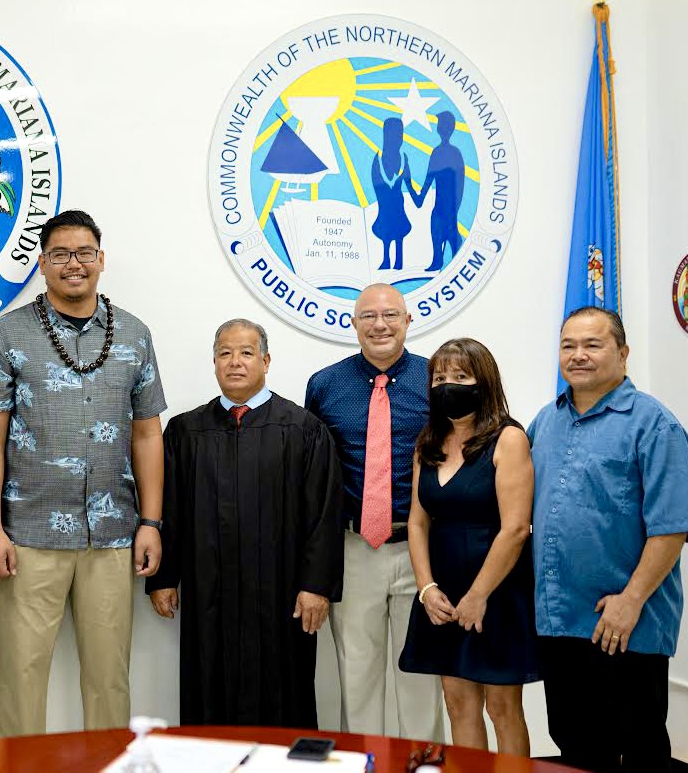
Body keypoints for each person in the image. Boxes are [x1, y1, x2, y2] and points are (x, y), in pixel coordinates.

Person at [0, 209, 167, 737]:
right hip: (29, 534)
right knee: (21, 677)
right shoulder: (7, 334)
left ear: (101, 261)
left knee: (109, 681)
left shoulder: (133, 334)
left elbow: (147, 434)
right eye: (60, 254)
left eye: (84, 253)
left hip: (111, 536)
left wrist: (151, 522)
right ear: (43, 263)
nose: (73, 264)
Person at [145, 318, 343, 727]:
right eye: (225, 353)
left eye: (247, 353)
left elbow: (323, 515)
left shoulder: (303, 429)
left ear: (266, 361)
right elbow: (170, 509)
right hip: (208, 594)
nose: (235, 362)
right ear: (214, 363)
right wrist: (164, 578)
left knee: (284, 691)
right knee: (208, 686)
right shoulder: (185, 432)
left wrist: (316, 587)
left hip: (282, 596)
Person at [529, 307, 688, 772]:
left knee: (639, 746)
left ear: (622, 353)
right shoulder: (546, 421)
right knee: (576, 744)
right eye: (568, 346)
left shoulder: (654, 425)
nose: (578, 355)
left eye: (592, 345)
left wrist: (631, 599)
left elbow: (673, 525)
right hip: (559, 619)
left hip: (624, 621)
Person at [305, 283, 444, 741]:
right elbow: (315, 475)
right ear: (353, 324)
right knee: (357, 675)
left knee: (420, 678)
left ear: (408, 321)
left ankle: (424, 768)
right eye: (368, 316)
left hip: (421, 550)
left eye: (390, 315)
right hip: (353, 548)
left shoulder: (436, 381)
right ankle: (360, 763)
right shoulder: (324, 386)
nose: (379, 325)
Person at [398, 338, 539, 755]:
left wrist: (479, 595)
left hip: (496, 591)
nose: (448, 385)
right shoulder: (429, 441)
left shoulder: (508, 439)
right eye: (440, 377)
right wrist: (426, 589)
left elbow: (516, 528)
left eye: (460, 376)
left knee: (502, 708)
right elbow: (418, 521)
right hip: (442, 594)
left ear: (484, 382)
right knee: (458, 703)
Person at [409, 112, 466, 273]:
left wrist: (452, 214)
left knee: (454, 261)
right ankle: (437, 257)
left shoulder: (449, 154)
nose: (439, 127)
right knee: (439, 262)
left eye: (441, 124)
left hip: (447, 214)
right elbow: (423, 194)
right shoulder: (439, 153)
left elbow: (459, 187)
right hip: (443, 213)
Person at [370, 117, 413, 271]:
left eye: (400, 134)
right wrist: (385, 192)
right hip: (385, 204)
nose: (398, 138)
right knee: (386, 231)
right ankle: (386, 259)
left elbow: (408, 181)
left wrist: (417, 197)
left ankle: (399, 261)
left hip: (398, 203)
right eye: (394, 134)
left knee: (399, 230)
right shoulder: (378, 159)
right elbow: (376, 181)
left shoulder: (403, 158)